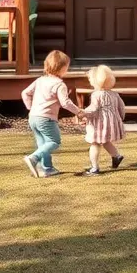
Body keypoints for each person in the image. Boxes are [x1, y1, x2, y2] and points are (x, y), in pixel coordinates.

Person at [21, 50, 82, 178]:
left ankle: (47, 169)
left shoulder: (40, 80)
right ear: (63, 68)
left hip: (33, 117)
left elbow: (25, 93)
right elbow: (65, 103)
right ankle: (33, 158)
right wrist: (79, 112)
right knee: (54, 141)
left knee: (43, 144)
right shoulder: (60, 84)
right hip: (46, 119)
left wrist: (30, 108)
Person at [80, 65, 125, 175]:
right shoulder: (115, 94)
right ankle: (116, 156)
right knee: (105, 141)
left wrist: (83, 113)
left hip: (99, 125)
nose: (89, 81)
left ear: (96, 81)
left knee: (95, 143)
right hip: (111, 124)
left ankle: (94, 168)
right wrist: (120, 119)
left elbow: (93, 109)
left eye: (90, 79)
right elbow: (121, 107)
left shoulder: (96, 95)